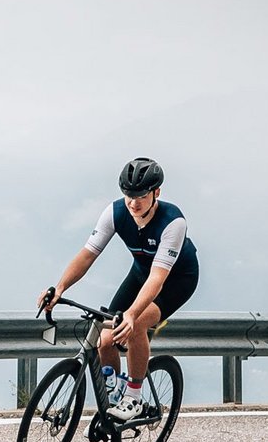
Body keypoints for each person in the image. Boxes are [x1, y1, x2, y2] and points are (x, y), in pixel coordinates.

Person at [37, 157, 200, 421]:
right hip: (140, 274)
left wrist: (132, 314)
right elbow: (88, 255)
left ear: (156, 193)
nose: (134, 203)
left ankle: (134, 398)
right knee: (105, 340)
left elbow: (158, 278)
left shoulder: (173, 222)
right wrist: (60, 288)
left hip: (177, 280)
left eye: (142, 196)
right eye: (129, 196)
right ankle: (114, 397)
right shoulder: (115, 212)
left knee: (135, 325)